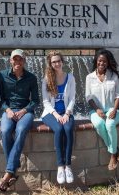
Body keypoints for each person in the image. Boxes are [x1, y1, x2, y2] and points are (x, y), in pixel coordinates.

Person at [0, 49, 39, 191]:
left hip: (25, 111)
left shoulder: (31, 78)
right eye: (15, 59)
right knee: (5, 130)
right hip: (8, 111)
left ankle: (9, 172)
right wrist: (7, 110)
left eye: (20, 59)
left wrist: (24, 110)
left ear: (24, 61)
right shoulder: (1, 76)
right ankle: (12, 170)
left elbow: (35, 101)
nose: (17, 62)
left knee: (21, 130)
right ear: (10, 61)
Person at [85, 49, 119, 171]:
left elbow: (118, 95)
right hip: (96, 111)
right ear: (96, 61)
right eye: (100, 60)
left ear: (108, 63)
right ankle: (116, 149)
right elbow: (88, 97)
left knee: (110, 123)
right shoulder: (89, 77)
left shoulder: (114, 76)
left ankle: (112, 155)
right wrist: (97, 110)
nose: (102, 63)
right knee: (99, 124)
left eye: (105, 61)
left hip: (112, 109)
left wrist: (114, 110)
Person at [41, 51, 76, 184]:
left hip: (66, 113)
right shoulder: (46, 80)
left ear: (62, 61)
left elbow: (72, 98)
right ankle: (60, 166)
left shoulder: (70, 78)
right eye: (54, 62)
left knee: (67, 129)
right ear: (50, 64)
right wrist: (56, 114)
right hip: (50, 114)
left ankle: (68, 166)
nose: (57, 63)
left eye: (58, 61)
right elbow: (45, 102)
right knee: (59, 129)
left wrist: (67, 113)